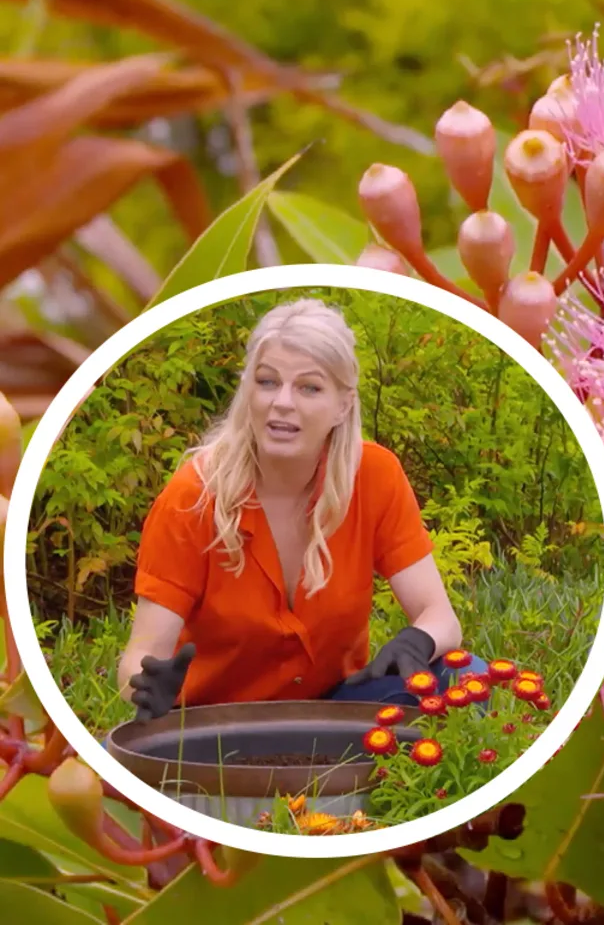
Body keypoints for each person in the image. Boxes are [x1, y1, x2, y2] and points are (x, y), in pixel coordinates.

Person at [117, 298, 465, 723]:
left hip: (334, 706)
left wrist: (417, 641)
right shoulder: (193, 497)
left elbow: (441, 617)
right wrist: (146, 688)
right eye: (267, 382)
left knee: (467, 678)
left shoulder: (375, 475)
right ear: (248, 391)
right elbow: (140, 656)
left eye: (309, 387)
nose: (282, 402)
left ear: (343, 405)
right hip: (212, 725)